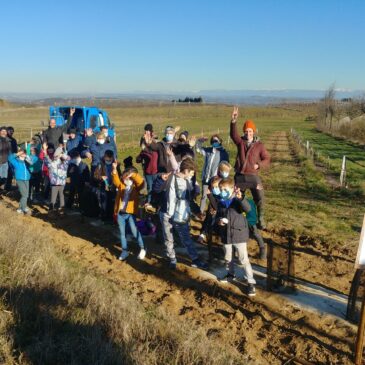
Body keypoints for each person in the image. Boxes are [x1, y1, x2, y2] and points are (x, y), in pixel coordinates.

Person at [159, 158, 208, 270]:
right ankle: (172, 259)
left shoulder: (187, 182)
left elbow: (189, 200)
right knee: (168, 238)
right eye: (191, 173)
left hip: (181, 216)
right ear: (186, 170)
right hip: (167, 214)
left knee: (186, 238)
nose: (192, 175)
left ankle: (195, 259)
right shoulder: (170, 178)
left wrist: (197, 211)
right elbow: (158, 190)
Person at [230, 106, 270, 229]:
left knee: (260, 197)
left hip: (253, 176)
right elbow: (233, 134)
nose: (248, 133)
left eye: (250, 131)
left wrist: (259, 165)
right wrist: (233, 121)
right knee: (235, 197)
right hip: (240, 176)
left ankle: (260, 219)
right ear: (244, 132)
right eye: (246, 131)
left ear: (254, 132)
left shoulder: (260, 145)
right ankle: (235, 218)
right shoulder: (240, 142)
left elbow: (267, 159)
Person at [215, 177, 256, 297]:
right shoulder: (221, 202)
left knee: (243, 259)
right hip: (226, 234)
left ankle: (250, 282)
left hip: (239, 234)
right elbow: (218, 215)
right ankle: (230, 274)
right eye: (221, 189)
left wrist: (241, 198)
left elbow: (247, 208)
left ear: (232, 189)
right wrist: (219, 221)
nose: (222, 191)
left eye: (225, 189)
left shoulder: (237, 200)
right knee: (228, 257)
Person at [111, 161, 146, 261]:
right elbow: (115, 180)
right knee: (122, 233)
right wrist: (114, 169)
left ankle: (143, 248)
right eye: (123, 176)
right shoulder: (121, 184)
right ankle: (125, 251)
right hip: (120, 213)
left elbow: (141, 182)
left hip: (130, 214)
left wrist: (134, 174)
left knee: (135, 232)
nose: (124, 178)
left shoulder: (136, 187)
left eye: (126, 176)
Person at [196, 134, 229, 214]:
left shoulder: (223, 153)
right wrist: (200, 141)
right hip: (205, 178)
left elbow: (225, 166)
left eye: (216, 141)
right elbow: (198, 149)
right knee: (204, 196)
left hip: (215, 179)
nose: (214, 142)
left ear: (220, 141)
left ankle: (212, 212)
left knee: (214, 196)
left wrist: (222, 178)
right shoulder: (208, 150)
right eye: (213, 141)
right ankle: (201, 212)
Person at [42, 144, 70, 214]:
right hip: (57, 183)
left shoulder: (61, 164)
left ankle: (57, 210)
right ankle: (57, 210)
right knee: (58, 197)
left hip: (58, 183)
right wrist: (62, 154)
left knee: (58, 197)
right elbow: (68, 158)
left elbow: (46, 159)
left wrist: (61, 153)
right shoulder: (56, 164)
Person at [93, 150, 117, 223]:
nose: (109, 160)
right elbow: (95, 176)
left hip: (112, 187)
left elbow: (118, 175)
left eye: (110, 159)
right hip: (103, 187)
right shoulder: (100, 165)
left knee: (112, 202)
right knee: (104, 203)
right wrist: (101, 178)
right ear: (104, 157)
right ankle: (104, 217)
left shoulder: (115, 165)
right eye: (107, 159)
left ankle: (111, 217)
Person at [8, 149, 33, 214]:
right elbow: (10, 158)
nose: (23, 154)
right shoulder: (16, 161)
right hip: (20, 179)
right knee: (24, 195)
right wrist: (17, 154)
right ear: (19, 154)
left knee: (26, 195)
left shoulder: (26, 161)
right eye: (22, 153)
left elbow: (32, 166)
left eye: (24, 153)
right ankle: (23, 208)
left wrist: (29, 159)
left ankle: (21, 208)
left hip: (27, 179)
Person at [197, 176, 222, 244]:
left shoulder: (222, 195)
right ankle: (202, 235)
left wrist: (210, 195)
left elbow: (217, 206)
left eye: (216, 187)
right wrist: (210, 195)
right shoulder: (212, 193)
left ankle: (217, 238)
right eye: (213, 187)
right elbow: (213, 204)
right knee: (207, 221)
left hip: (218, 212)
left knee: (216, 225)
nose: (214, 189)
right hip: (211, 211)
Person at [136, 140, 158, 207]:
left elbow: (152, 155)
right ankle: (150, 201)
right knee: (150, 187)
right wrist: (139, 156)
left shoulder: (155, 151)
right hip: (147, 172)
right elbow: (138, 160)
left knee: (156, 187)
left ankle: (156, 201)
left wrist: (145, 150)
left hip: (156, 172)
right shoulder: (144, 152)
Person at [0, 126, 10, 193]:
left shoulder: (8, 140)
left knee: (4, 177)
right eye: (2, 131)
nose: (4, 133)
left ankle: (1, 191)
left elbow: (10, 151)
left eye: (5, 131)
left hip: (6, 161)